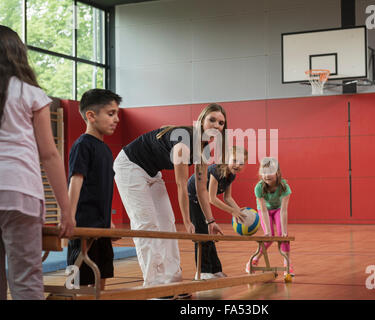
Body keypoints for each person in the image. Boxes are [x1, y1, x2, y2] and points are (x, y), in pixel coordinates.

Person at [113, 103, 227, 298]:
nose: (217, 125)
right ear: (201, 121)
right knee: (146, 223)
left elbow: (201, 189)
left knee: (167, 222)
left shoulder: (204, 149)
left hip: (151, 172)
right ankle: (154, 285)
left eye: (221, 123)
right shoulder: (184, 143)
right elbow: (182, 185)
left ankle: (172, 281)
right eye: (212, 120)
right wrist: (188, 222)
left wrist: (211, 221)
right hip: (129, 166)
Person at [0, 25, 74, 300]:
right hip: (20, 192)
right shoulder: (28, 92)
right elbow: (49, 154)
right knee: (25, 280)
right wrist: (66, 210)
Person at [66, 89, 121, 291]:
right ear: (91, 115)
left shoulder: (105, 150)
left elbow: (103, 190)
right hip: (84, 226)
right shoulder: (83, 145)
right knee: (78, 284)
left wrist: (110, 221)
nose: (116, 119)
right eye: (110, 113)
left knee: (101, 279)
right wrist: (70, 217)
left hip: (101, 227)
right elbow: (75, 181)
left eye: (117, 113)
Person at [188, 146, 248, 280]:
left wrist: (238, 211)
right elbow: (212, 198)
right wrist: (232, 211)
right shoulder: (215, 170)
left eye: (242, 162)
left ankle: (215, 270)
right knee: (202, 234)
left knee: (210, 235)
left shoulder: (231, 175)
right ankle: (202, 271)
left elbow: (228, 198)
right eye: (235, 160)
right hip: (193, 199)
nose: (238, 165)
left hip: (203, 200)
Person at [246, 157, 293, 275]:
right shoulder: (259, 188)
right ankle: (254, 260)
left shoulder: (284, 187)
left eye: (270, 172)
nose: (266, 175)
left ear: (277, 172)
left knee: (284, 236)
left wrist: (285, 231)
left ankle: (287, 263)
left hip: (278, 210)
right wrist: (267, 231)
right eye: (264, 172)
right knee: (269, 236)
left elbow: (283, 210)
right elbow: (263, 209)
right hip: (265, 210)